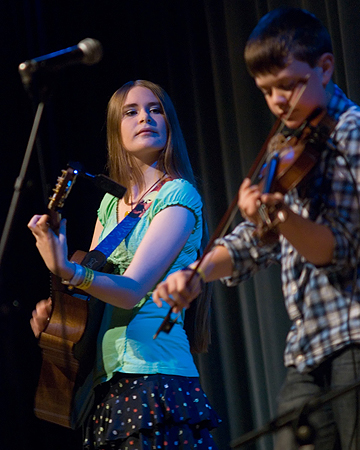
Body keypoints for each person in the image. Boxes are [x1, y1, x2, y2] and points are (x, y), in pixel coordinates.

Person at [153, 7, 360, 450]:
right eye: (266, 91)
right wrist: (197, 275)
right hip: (306, 348)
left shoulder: (352, 134)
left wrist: (279, 215)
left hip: (355, 336)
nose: (278, 102)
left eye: (288, 85)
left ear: (325, 68)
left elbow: (340, 249)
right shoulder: (287, 148)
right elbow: (252, 242)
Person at [28, 79, 221, 450]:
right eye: (131, 112)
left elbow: (131, 291)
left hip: (155, 375)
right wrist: (57, 319)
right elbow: (94, 292)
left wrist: (70, 271)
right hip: (106, 383)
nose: (144, 117)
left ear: (169, 124)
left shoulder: (177, 194)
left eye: (155, 109)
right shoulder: (108, 205)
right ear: (117, 131)